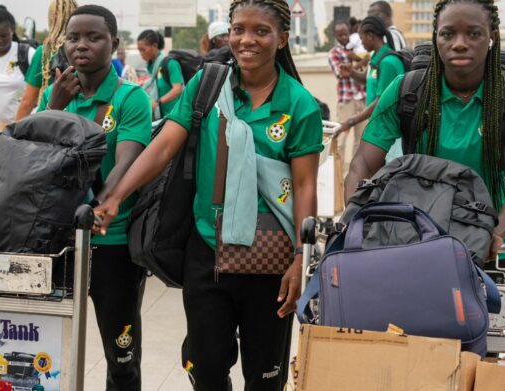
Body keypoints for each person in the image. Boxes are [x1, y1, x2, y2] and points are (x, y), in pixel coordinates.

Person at [95, 0, 323, 389]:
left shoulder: (299, 105)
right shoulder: (208, 85)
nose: (246, 39)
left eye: (261, 31)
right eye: (239, 29)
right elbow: (164, 145)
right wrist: (117, 195)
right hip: (207, 251)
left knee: (265, 375)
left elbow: (304, 185)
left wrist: (301, 258)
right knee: (204, 366)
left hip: (272, 259)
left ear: (282, 39)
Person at [343, 0, 505, 275]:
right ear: (436, 38)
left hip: (487, 244)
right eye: (448, 33)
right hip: (410, 239)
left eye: (474, 33)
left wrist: (493, 233)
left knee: (482, 318)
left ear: (492, 37)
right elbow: (363, 166)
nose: (460, 43)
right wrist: (358, 220)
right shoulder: (406, 91)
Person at [38, 5, 152, 390]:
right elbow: (33, 158)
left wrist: (99, 205)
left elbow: (128, 163)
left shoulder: (130, 99)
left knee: (121, 357)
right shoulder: (55, 95)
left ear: (113, 44)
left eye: (93, 37)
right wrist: (53, 106)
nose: (81, 45)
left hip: (112, 243)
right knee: (43, 351)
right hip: (56, 243)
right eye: (73, 38)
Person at [336, 16, 405, 161]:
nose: (360, 42)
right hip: (379, 128)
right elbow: (369, 80)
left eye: (361, 38)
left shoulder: (388, 62)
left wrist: (351, 121)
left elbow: (381, 102)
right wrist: (352, 73)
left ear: (370, 35)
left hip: (389, 132)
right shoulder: (376, 59)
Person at [14, 0, 78, 121]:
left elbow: (27, 102)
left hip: (51, 120)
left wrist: (10, 135)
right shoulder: (83, 50)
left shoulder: (44, 52)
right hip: (81, 121)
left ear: (52, 19)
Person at [328, 20, 366, 170]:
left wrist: (358, 58)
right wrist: (358, 61)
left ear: (349, 32)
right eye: (340, 35)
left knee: (361, 139)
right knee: (341, 139)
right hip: (346, 100)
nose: (343, 37)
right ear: (335, 36)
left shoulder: (358, 48)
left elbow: (366, 70)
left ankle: (356, 173)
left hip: (362, 98)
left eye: (345, 33)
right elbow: (341, 74)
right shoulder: (334, 53)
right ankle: (338, 175)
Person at [137, 29, 184, 120]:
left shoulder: (170, 63)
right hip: (161, 118)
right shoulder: (152, 67)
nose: (141, 54)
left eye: (143, 50)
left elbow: (178, 89)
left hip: (175, 118)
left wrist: (158, 102)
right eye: (139, 50)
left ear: (154, 46)